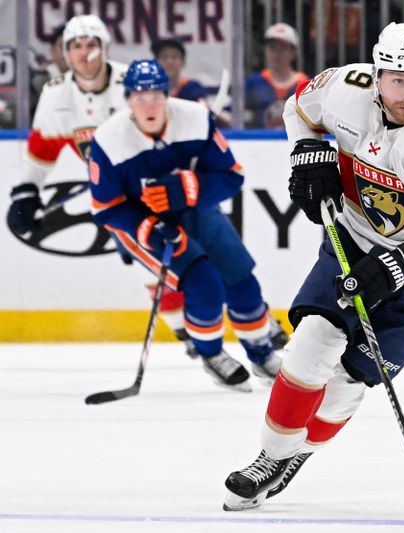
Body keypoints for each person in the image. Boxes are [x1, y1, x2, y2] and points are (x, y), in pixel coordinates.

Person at [223, 22, 404, 510]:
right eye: (398, 79)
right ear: (376, 74)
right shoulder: (343, 88)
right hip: (353, 235)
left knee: (350, 378)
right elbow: (298, 110)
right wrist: (305, 152)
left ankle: (300, 453)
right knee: (313, 341)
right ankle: (269, 457)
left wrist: (402, 260)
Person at [4, 14, 213, 357]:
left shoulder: (131, 83)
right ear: (65, 54)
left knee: (211, 247)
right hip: (119, 197)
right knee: (150, 261)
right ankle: (186, 335)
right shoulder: (56, 94)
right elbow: (42, 151)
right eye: (76, 46)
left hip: (162, 181)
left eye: (91, 45)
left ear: (105, 49)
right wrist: (26, 191)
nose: (84, 54)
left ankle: (255, 320)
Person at [88, 59, 284, 391]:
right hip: (144, 224)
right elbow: (107, 209)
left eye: (155, 96)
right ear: (127, 100)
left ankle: (261, 352)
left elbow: (231, 176)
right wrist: (146, 229)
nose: (148, 105)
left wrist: (189, 188)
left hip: (196, 210)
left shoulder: (194, 118)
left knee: (242, 282)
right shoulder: (108, 140)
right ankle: (211, 354)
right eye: (139, 97)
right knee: (204, 283)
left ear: (166, 96)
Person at [244, 23, 309, 129]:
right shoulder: (253, 83)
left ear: (293, 52)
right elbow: (235, 118)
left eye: (282, 48)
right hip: (258, 143)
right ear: (265, 50)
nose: (276, 53)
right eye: (272, 47)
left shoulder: (307, 86)